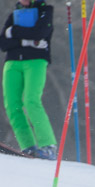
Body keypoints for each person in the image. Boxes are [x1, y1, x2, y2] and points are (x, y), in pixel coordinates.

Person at [0, 0, 57, 160]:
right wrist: (27, 40)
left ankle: (48, 145)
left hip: (36, 61)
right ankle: (28, 146)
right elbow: (3, 42)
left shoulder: (45, 11)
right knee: (12, 105)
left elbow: (39, 34)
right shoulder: (14, 15)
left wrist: (14, 33)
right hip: (12, 62)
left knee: (31, 100)